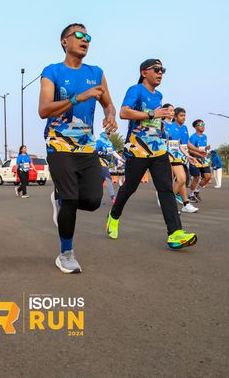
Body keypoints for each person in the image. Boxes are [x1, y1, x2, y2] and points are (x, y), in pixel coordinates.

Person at [39, 23, 117, 274]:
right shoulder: (52, 71)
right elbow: (44, 110)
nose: (86, 40)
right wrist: (76, 98)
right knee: (71, 199)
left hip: (86, 146)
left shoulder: (96, 73)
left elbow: (108, 104)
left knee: (93, 201)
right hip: (59, 143)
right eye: (80, 35)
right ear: (65, 41)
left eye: (88, 37)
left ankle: (60, 199)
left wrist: (110, 115)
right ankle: (66, 254)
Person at [105, 59, 197, 250]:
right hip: (137, 149)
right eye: (156, 69)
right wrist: (152, 115)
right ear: (144, 72)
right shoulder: (136, 90)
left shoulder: (159, 95)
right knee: (129, 187)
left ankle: (175, 234)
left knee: (165, 189)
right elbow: (124, 113)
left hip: (158, 150)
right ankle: (113, 216)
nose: (160, 72)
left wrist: (161, 122)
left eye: (162, 69)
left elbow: (155, 118)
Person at [164, 107, 198, 213]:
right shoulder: (162, 124)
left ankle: (183, 204)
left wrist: (188, 155)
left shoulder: (177, 127)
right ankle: (170, 204)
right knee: (171, 181)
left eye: (172, 111)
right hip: (166, 156)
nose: (184, 117)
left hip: (178, 156)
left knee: (182, 179)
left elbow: (180, 144)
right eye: (170, 111)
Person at [187, 119, 211, 203]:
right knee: (196, 178)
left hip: (203, 160)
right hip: (195, 159)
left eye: (203, 124)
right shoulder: (193, 137)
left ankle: (196, 191)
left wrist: (206, 148)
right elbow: (190, 150)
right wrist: (199, 154)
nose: (202, 126)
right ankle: (191, 195)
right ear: (195, 127)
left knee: (208, 177)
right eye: (200, 124)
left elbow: (201, 149)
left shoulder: (205, 137)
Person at [96, 132, 123, 204]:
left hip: (106, 163)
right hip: (100, 162)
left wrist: (121, 159)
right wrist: (103, 153)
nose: (108, 135)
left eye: (109, 134)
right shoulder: (99, 141)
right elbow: (94, 151)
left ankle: (97, 200)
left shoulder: (110, 143)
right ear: (103, 134)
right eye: (107, 133)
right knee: (108, 179)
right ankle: (113, 198)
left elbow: (113, 152)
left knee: (99, 182)